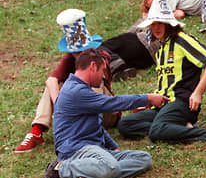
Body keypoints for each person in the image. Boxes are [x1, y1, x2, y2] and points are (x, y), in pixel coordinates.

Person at [14, 12, 160, 155]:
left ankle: (88, 132)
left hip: (106, 112)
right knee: (56, 85)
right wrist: (61, 104)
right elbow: (51, 80)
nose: (78, 56)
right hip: (80, 112)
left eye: (81, 51)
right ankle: (36, 132)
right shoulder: (71, 58)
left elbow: (102, 100)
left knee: (92, 87)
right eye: (75, 52)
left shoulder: (100, 57)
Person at [41, 47, 167, 178]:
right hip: (77, 151)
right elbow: (111, 103)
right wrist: (147, 98)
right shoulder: (75, 91)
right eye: (102, 71)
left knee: (143, 159)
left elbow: (95, 126)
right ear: (93, 66)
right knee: (111, 167)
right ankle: (60, 169)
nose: (102, 77)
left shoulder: (83, 89)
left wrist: (112, 146)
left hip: (95, 151)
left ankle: (90, 175)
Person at [117, 0, 206, 145]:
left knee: (156, 132)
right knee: (125, 125)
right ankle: (174, 129)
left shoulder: (182, 40)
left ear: (169, 23)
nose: (156, 27)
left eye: (160, 22)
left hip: (182, 102)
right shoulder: (160, 49)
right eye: (153, 24)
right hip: (163, 104)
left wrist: (197, 93)